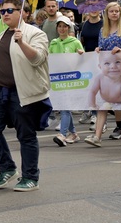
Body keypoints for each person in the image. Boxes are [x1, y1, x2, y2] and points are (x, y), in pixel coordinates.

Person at [0, 0, 50, 192]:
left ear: (24, 13)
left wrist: (22, 43)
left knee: (26, 135)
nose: (5, 14)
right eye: (2, 11)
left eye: (10, 10)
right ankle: (6, 168)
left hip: (23, 92)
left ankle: (30, 177)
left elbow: (37, 59)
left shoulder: (35, 33)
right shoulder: (2, 34)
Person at [84, 2, 121, 148]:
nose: (114, 13)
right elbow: (102, 48)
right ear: (107, 14)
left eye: (117, 11)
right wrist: (98, 49)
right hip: (108, 71)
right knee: (104, 103)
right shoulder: (103, 30)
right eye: (111, 11)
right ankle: (97, 136)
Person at [50, 15, 84, 147]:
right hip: (58, 80)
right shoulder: (53, 43)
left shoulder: (75, 42)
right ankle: (74, 134)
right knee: (64, 107)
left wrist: (81, 53)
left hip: (71, 79)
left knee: (65, 107)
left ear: (69, 28)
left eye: (65, 26)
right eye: (60, 26)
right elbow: (50, 60)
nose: (62, 29)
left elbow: (83, 60)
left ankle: (62, 135)